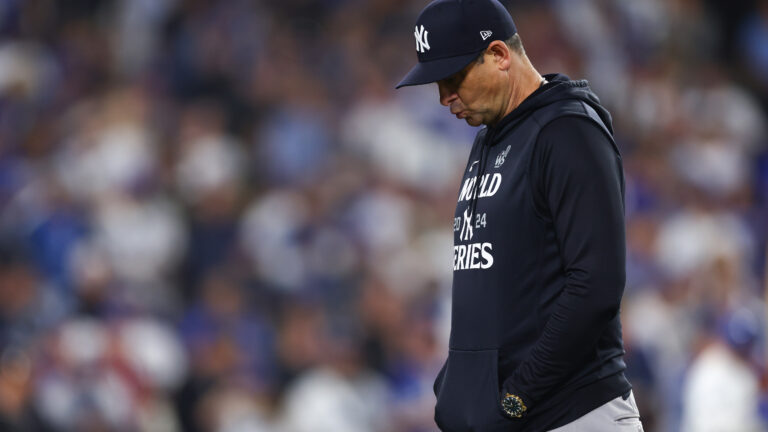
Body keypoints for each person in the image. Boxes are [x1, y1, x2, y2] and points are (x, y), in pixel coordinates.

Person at [396, 0, 642, 431]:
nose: (443, 97)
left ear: (498, 55)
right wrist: (458, 387)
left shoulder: (567, 132)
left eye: (453, 77)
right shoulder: (491, 138)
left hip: (575, 415)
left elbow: (596, 287)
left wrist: (515, 397)